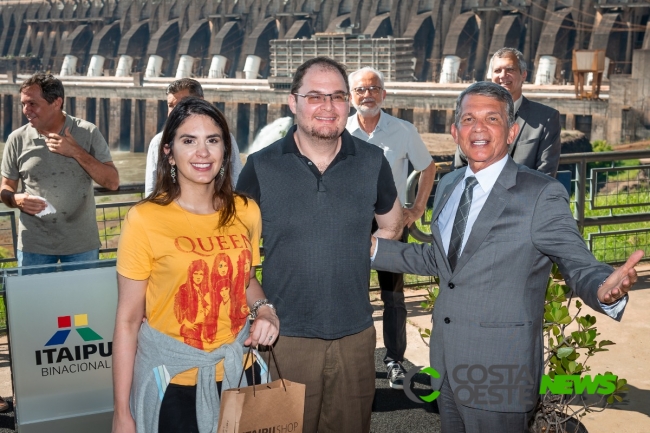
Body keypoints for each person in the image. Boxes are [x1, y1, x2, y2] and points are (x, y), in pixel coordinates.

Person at [371, 81, 643, 433]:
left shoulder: (540, 194)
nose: (478, 128)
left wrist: (603, 287)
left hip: (500, 374)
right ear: (455, 131)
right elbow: (441, 260)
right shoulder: (452, 184)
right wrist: (372, 250)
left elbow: (578, 263)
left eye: (492, 119)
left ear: (512, 131)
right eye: (468, 119)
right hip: (446, 366)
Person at [237, 57, 403, 433]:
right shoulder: (261, 167)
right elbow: (233, 254)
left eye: (338, 96)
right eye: (315, 96)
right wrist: (261, 307)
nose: (328, 107)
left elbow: (392, 225)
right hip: (285, 339)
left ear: (348, 103)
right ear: (293, 102)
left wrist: (349, 251)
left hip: (356, 337)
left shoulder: (373, 161)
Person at [112, 98, 279, 433]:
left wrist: (264, 310)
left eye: (212, 140)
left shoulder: (246, 210)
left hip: (240, 371)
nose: (203, 153)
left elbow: (245, 280)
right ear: (169, 152)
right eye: (189, 141)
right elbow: (128, 321)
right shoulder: (144, 219)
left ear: (225, 150)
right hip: (174, 380)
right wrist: (121, 413)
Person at [347, 66, 436, 389]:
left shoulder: (403, 130)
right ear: (350, 96)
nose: (367, 95)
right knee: (351, 292)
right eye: (360, 90)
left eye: (373, 89)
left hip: (392, 221)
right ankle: (355, 360)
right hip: (351, 224)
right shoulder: (340, 131)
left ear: (383, 94)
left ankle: (395, 360)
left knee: (393, 296)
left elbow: (427, 168)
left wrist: (418, 208)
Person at [0, 73, 119, 267]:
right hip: (34, 245)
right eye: (23, 104)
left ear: (56, 102)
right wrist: (15, 199)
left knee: (82, 299)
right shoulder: (17, 139)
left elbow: (112, 182)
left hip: (81, 244)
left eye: (32, 104)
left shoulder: (87, 132)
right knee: (35, 298)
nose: (26, 110)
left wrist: (75, 152)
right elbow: (5, 187)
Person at [454, 47, 562, 177]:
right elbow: (460, 167)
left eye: (510, 70)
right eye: (497, 70)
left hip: (524, 196)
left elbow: (546, 174)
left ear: (523, 75)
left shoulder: (546, 118)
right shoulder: (473, 114)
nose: (503, 76)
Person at [144, 78, 242, 196]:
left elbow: (237, 179)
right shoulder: (158, 142)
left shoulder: (225, 138)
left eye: (182, 104)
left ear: (201, 102)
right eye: (171, 106)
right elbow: (152, 188)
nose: (177, 110)